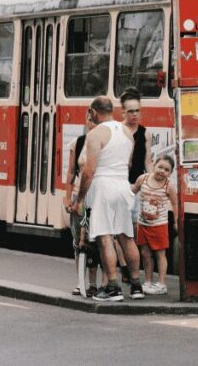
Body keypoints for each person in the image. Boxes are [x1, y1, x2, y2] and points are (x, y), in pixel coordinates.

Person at [73, 96, 144, 301]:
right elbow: (128, 164)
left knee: (105, 238)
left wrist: (80, 199)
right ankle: (136, 285)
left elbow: (89, 171)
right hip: (122, 186)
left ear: (94, 112)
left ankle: (113, 286)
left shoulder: (95, 134)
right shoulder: (127, 133)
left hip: (103, 187)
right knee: (126, 236)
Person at [132, 155, 178, 295]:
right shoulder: (143, 179)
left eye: (167, 170)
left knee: (160, 254)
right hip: (143, 224)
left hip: (159, 225)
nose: (162, 171)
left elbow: (175, 204)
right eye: (160, 167)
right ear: (154, 165)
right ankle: (148, 281)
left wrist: (176, 221)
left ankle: (162, 283)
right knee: (145, 253)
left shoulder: (169, 186)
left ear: (170, 173)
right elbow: (132, 192)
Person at [65, 111, 99, 296]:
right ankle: (80, 282)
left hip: (98, 197)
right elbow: (71, 172)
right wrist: (68, 197)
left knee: (95, 242)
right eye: (89, 119)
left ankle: (93, 283)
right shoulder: (77, 143)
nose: (92, 123)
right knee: (78, 241)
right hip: (79, 197)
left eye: (96, 120)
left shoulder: (105, 145)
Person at [120, 87, 150, 283]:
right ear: (123, 112)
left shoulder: (145, 133)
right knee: (121, 229)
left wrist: (151, 180)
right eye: (130, 111)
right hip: (121, 185)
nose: (135, 115)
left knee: (136, 228)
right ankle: (125, 269)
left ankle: (132, 268)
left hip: (138, 185)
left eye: (137, 110)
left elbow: (148, 160)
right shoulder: (118, 131)